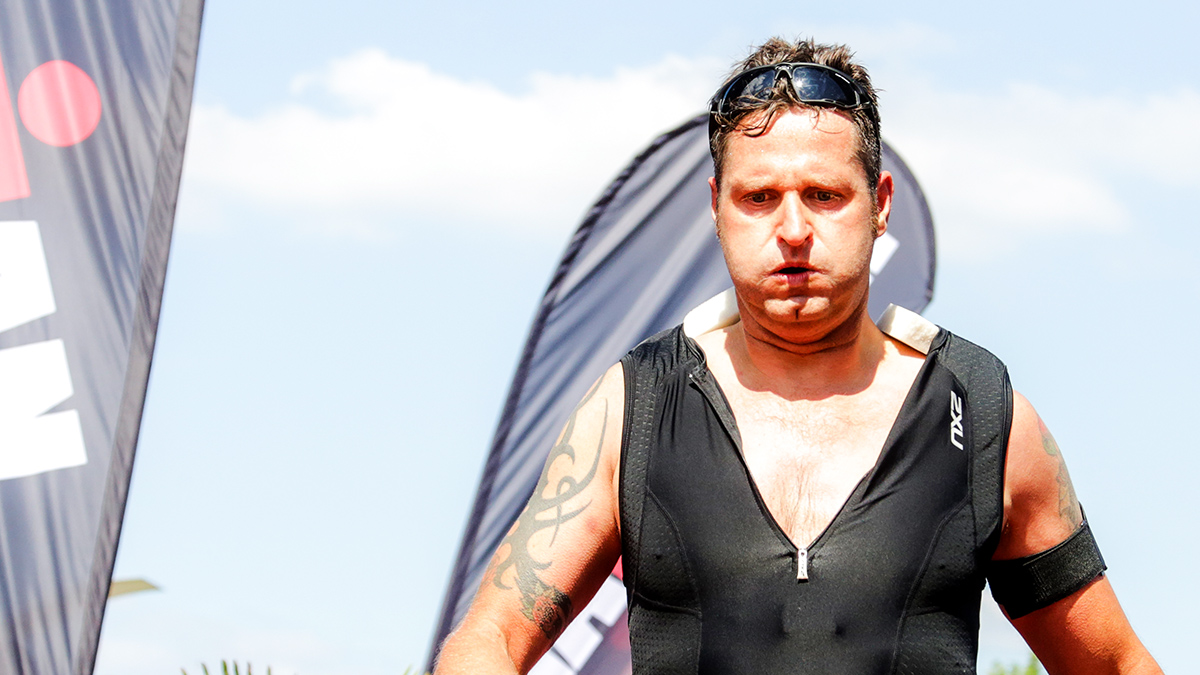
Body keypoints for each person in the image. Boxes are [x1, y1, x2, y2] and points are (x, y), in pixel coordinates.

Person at [433, 37, 1161, 674]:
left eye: (823, 195)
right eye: (759, 197)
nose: (792, 229)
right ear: (716, 206)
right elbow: (487, 640)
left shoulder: (980, 414)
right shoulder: (636, 408)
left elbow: (1115, 663)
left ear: (880, 204)